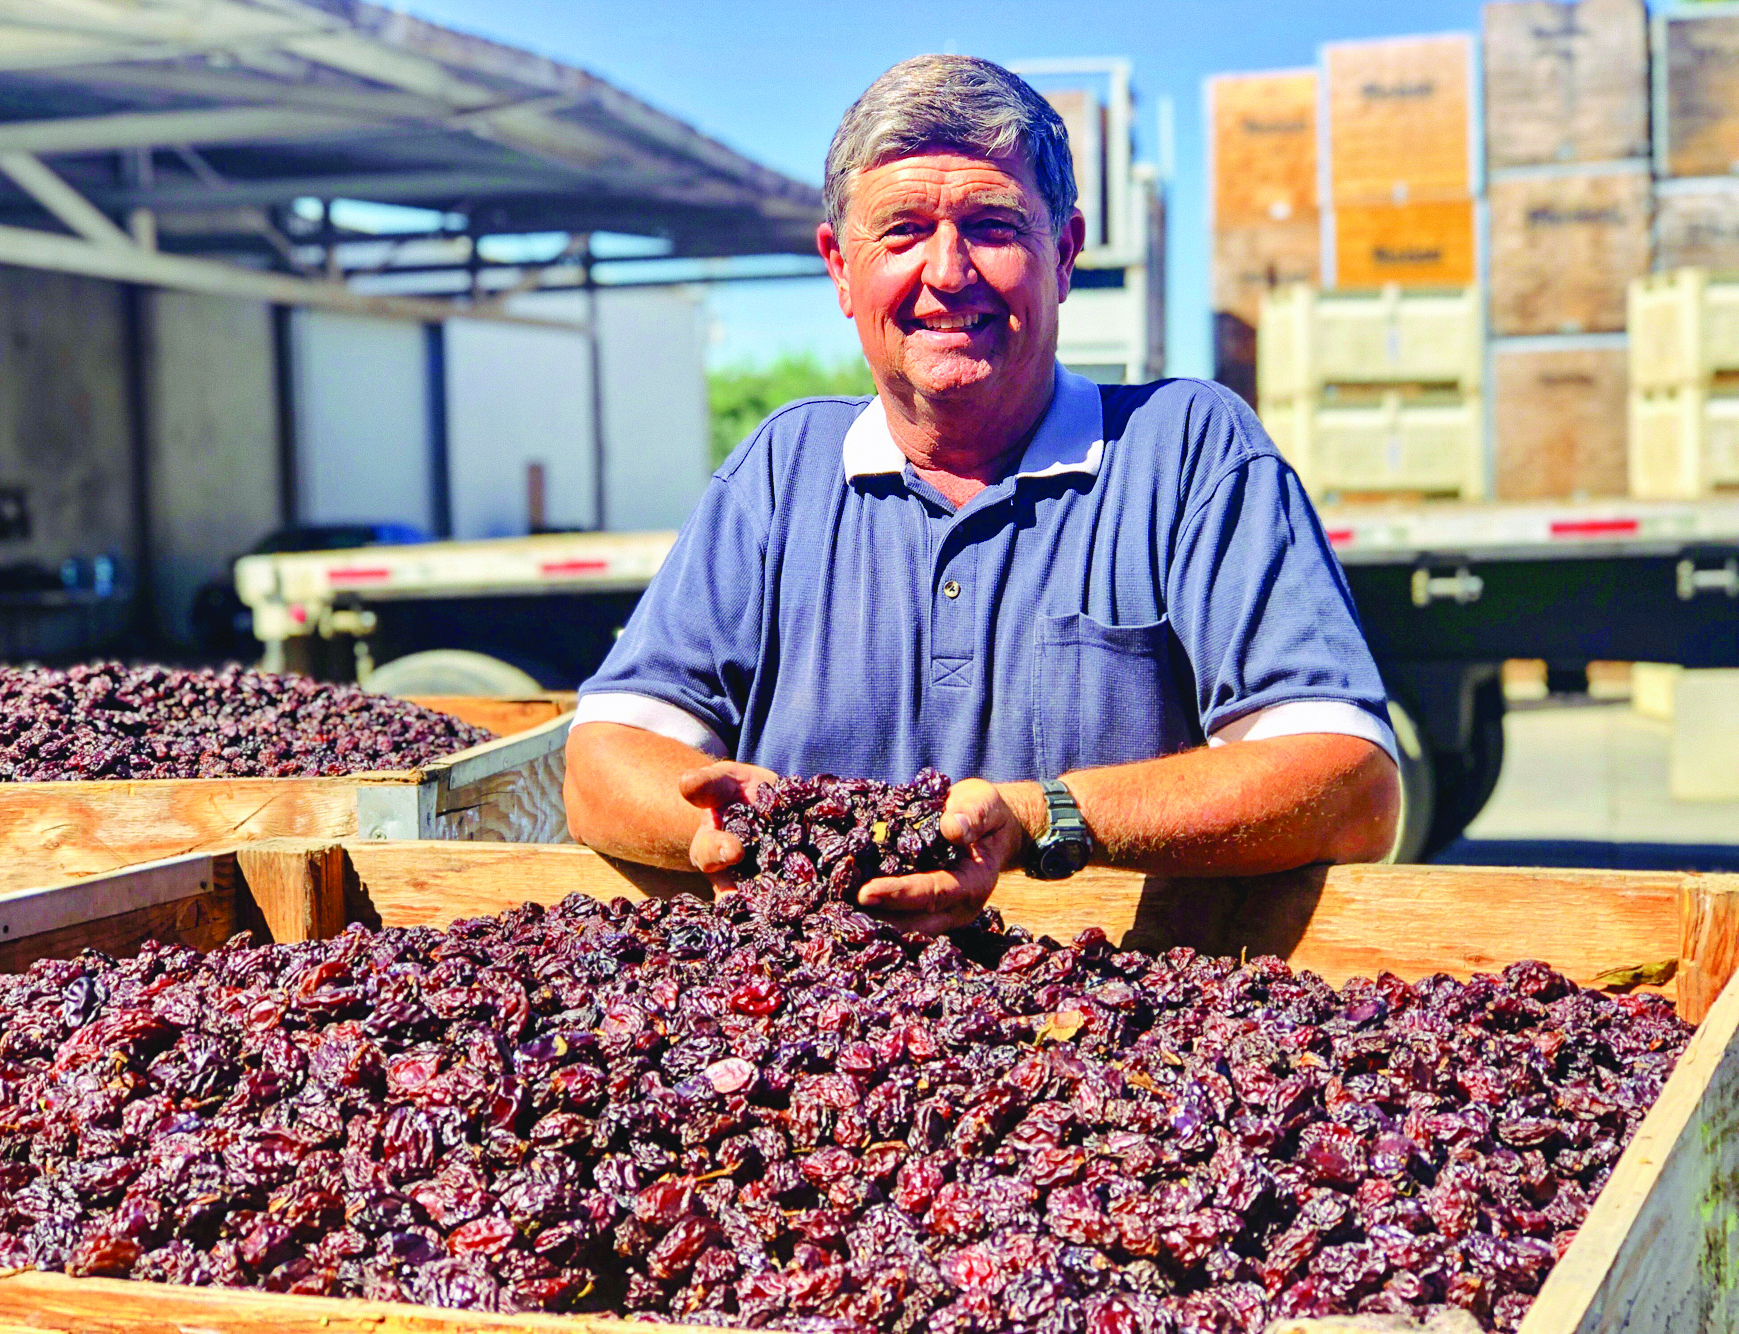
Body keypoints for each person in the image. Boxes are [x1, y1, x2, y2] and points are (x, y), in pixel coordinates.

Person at [564, 54, 1400, 932]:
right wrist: (744, 833)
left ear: (1066, 253)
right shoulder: (781, 473)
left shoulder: (1187, 452)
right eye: (902, 231)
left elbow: (1350, 784)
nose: (948, 271)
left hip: (1105, 1045)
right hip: (811, 1039)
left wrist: (1045, 819)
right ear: (840, 270)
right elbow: (602, 761)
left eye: (994, 226)